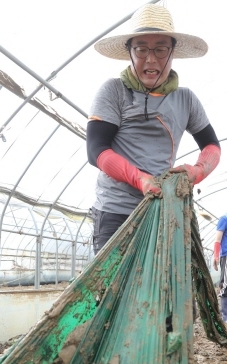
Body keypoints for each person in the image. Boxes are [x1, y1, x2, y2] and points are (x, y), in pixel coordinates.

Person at [86, 3, 221, 255]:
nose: (150, 59)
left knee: (161, 290)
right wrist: (140, 179)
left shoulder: (186, 99)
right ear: (130, 52)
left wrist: (197, 171)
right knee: (113, 291)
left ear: (172, 53)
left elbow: (211, 145)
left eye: (160, 50)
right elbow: (96, 150)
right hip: (117, 213)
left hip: (163, 210)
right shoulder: (114, 91)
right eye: (141, 49)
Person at [213, 214, 227, 322]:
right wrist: (216, 256)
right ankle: (225, 319)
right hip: (226, 255)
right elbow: (218, 239)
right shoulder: (224, 218)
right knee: (225, 286)